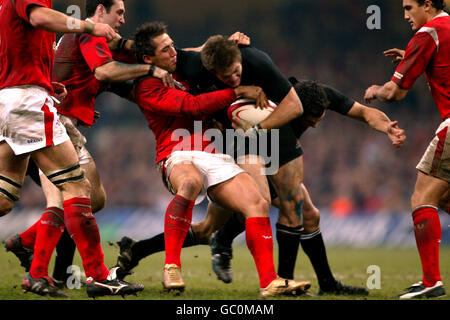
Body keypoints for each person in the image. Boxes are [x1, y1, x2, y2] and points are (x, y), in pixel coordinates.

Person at [116, 77, 405, 296]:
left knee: (306, 214)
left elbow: (366, 113)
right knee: (267, 208)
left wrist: (386, 127)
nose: (315, 126)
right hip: (239, 156)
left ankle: (326, 283)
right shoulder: (263, 111)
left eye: (319, 120)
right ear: (294, 111)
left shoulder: (318, 96)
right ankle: (277, 276)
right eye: (310, 121)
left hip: (268, 156)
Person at [131, 21, 311, 297]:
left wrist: (225, 44)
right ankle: (171, 266)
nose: (173, 52)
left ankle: (270, 281)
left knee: (257, 202)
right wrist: (237, 91)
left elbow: (199, 52)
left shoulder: (184, 65)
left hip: (214, 151)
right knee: (189, 183)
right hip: (176, 151)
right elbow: (191, 106)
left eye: (172, 45)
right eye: (166, 49)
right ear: (148, 59)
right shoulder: (146, 86)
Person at [3, 0, 175, 290]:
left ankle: (34, 254)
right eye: (118, 13)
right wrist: (88, 26)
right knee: (74, 189)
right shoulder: (85, 31)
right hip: (31, 106)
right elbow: (103, 69)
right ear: (99, 9)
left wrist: (48, 83)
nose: (121, 19)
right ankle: (91, 275)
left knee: (8, 195)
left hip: (18, 101)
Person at [364, 0, 448, 299]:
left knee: (422, 197)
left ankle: (431, 281)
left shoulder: (428, 34)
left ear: (428, 5)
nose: (405, 15)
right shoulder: (446, 29)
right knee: (446, 200)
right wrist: (416, 60)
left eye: (409, 7)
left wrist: (375, 90)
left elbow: (395, 93)